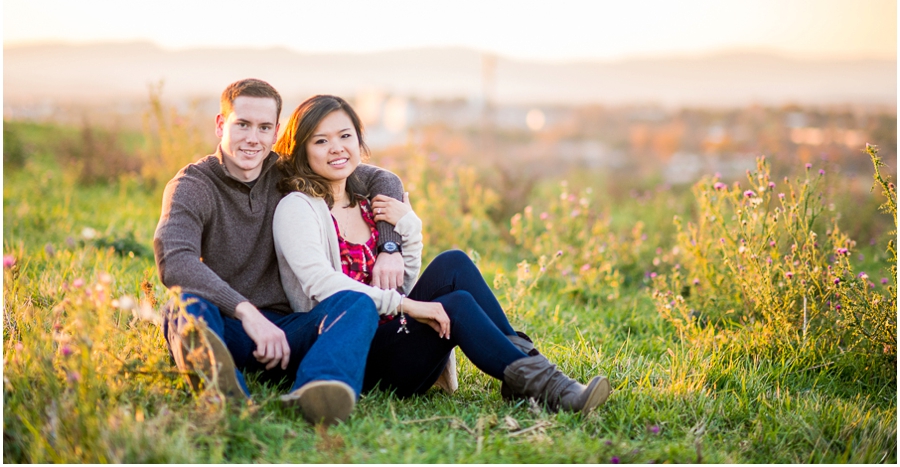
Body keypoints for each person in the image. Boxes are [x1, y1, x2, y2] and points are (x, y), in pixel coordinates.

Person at [272, 95, 610, 414]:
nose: (336, 148)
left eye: (345, 135)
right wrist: (409, 306)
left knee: (453, 262)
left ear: (360, 141)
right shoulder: (298, 208)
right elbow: (320, 283)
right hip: (357, 352)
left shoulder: (367, 202)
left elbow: (404, 280)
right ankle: (548, 387)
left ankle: (535, 374)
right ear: (301, 151)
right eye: (320, 141)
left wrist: (409, 225)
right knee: (457, 303)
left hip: (397, 335)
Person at [153, 78, 410, 425]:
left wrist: (389, 245)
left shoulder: (285, 172)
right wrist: (248, 314)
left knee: (356, 303)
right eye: (242, 124)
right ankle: (224, 397)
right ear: (220, 125)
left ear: (276, 132)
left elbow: (383, 180)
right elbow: (175, 262)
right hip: (228, 326)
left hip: (290, 332)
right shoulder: (193, 186)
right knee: (184, 305)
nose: (252, 138)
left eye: (263, 128)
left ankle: (319, 389)